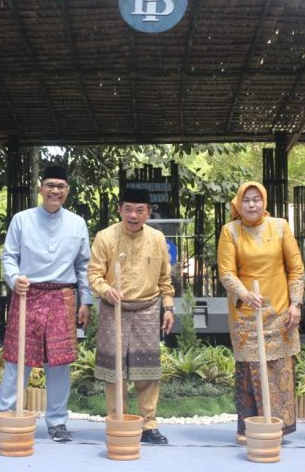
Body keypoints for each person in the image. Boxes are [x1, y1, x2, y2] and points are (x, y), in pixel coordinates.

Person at [0, 165, 92, 444]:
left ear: (67, 191)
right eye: (50, 185)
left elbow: (84, 265)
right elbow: (9, 256)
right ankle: (4, 420)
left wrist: (87, 301)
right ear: (40, 188)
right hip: (27, 295)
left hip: (62, 297)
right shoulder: (21, 220)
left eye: (60, 186)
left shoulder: (77, 223)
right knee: (17, 361)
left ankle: (57, 422)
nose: (55, 191)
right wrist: (14, 279)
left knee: (59, 364)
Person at [217, 181, 304, 445]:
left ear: (264, 202)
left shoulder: (280, 227)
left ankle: (279, 426)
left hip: (280, 312)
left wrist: (296, 304)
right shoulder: (230, 231)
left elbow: (296, 269)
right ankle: (249, 428)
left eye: (256, 199)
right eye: (246, 200)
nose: (252, 204)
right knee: (249, 372)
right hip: (247, 313)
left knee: (279, 370)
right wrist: (243, 293)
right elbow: (226, 272)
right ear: (238, 204)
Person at [87, 187, 175, 445]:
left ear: (148, 212)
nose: (133, 215)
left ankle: (148, 424)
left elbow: (164, 279)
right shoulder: (105, 237)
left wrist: (168, 307)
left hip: (147, 308)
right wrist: (105, 289)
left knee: (147, 370)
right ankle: (118, 421)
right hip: (113, 307)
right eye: (128, 209)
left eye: (139, 210)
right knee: (115, 369)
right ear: (119, 210)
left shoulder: (158, 238)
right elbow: (94, 274)